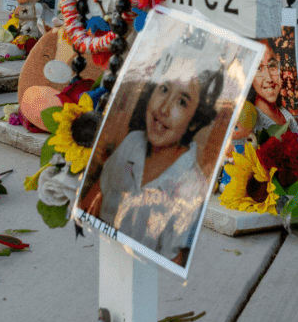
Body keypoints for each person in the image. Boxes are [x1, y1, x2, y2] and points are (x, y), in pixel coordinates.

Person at [91, 64, 226, 267]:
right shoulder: (133, 142)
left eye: (181, 102)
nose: (163, 109)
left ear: (194, 120)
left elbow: (171, 264)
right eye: (163, 89)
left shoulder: (190, 186)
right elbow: (93, 203)